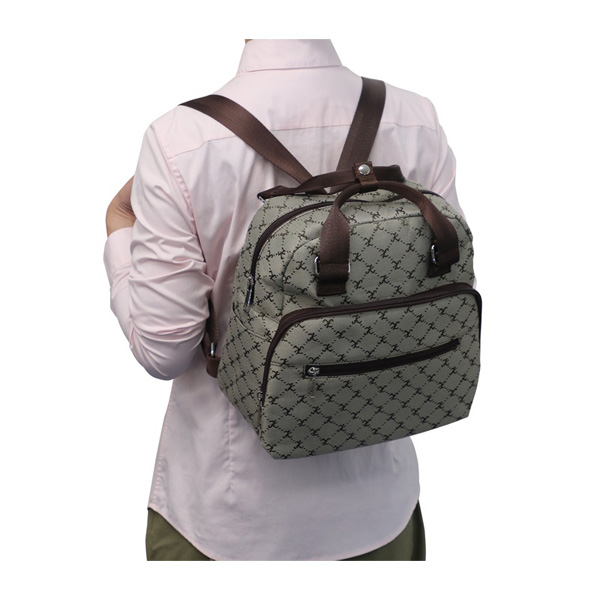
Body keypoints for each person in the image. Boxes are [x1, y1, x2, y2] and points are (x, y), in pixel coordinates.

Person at [104, 39, 464, 561]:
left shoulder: (182, 139)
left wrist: (119, 230)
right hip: (382, 512)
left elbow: (164, 353)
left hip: (230, 520)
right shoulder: (415, 118)